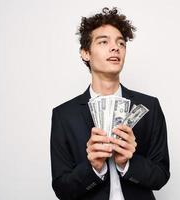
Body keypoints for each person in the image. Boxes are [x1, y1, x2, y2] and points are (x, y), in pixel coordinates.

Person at [50, 7, 170, 200]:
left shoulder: (150, 106)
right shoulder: (64, 115)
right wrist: (94, 167)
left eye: (121, 43)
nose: (115, 47)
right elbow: (62, 189)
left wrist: (127, 163)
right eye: (103, 41)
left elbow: (161, 175)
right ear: (85, 53)